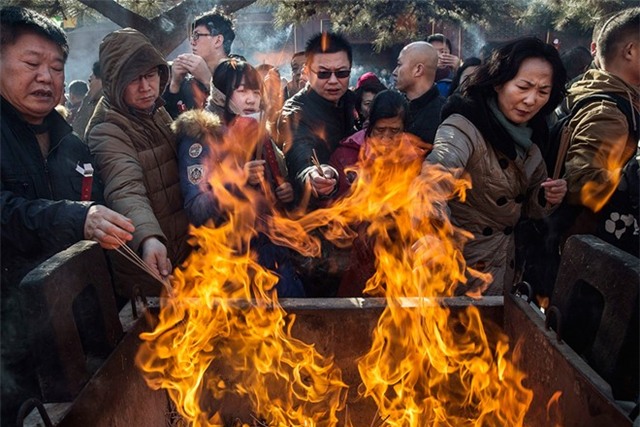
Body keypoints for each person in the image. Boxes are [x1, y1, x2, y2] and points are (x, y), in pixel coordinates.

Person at [0, 6, 134, 424]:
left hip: (70, 337)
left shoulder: (72, 145)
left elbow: (102, 210)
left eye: (56, 67)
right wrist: (76, 217)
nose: (47, 77)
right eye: (32, 63)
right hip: (9, 341)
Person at [422, 37, 568, 298]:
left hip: (507, 264)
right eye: (523, 86)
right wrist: (432, 232)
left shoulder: (534, 136)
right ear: (499, 82)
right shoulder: (463, 125)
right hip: (461, 271)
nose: (531, 100)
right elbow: (435, 176)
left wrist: (547, 196)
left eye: (543, 92)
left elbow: (530, 204)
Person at [173, 58, 304, 297]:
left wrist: (283, 192)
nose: (251, 99)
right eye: (242, 91)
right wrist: (238, 179)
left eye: (256, 91)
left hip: (270, 252)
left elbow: (267, 190)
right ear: (221, 93)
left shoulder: (256, 130)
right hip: (228, 260)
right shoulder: (201, 137)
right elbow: (196, 208)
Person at [86, 28, 191, 299]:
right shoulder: (107, 127)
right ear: (114, 82)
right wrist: (147, 238)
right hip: (149, 265)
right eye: (133, 80)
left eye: (151, 75)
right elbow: (125, 187)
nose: (145, 87)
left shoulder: (155, 111)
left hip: (183, 254)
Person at [563, 7, 639, 256]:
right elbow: (580, 186)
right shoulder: (608, 112)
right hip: (600, 254)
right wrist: (631, 176)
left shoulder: (620, 98)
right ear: (630, 51)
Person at [276, 31, 357, 207]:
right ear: (307, 71)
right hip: (318, 215)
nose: (334, 81)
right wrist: (312, 173)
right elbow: (299, 149)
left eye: (342, 73)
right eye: (324, 74)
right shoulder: (295, 111)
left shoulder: (354, 101)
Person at [163, 7, 235, 118]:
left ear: (218, 41)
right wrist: (175, 84)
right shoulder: (189, 78)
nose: (192, 42)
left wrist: (208, 81)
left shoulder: (239, 73)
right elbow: (170, 122)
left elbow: (240, 116)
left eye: (197, 36)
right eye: (192, 37)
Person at [392, 41, 446, 152]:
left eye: (399, 65)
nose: (394, 72)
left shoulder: (444, 115)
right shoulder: (397, 107)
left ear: (418, 70)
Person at [73, 61, 103, 140]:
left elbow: (79, 130)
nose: (89, 85)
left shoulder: (104, 105)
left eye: (90, 80)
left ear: (101, 80)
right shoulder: (91, 100)